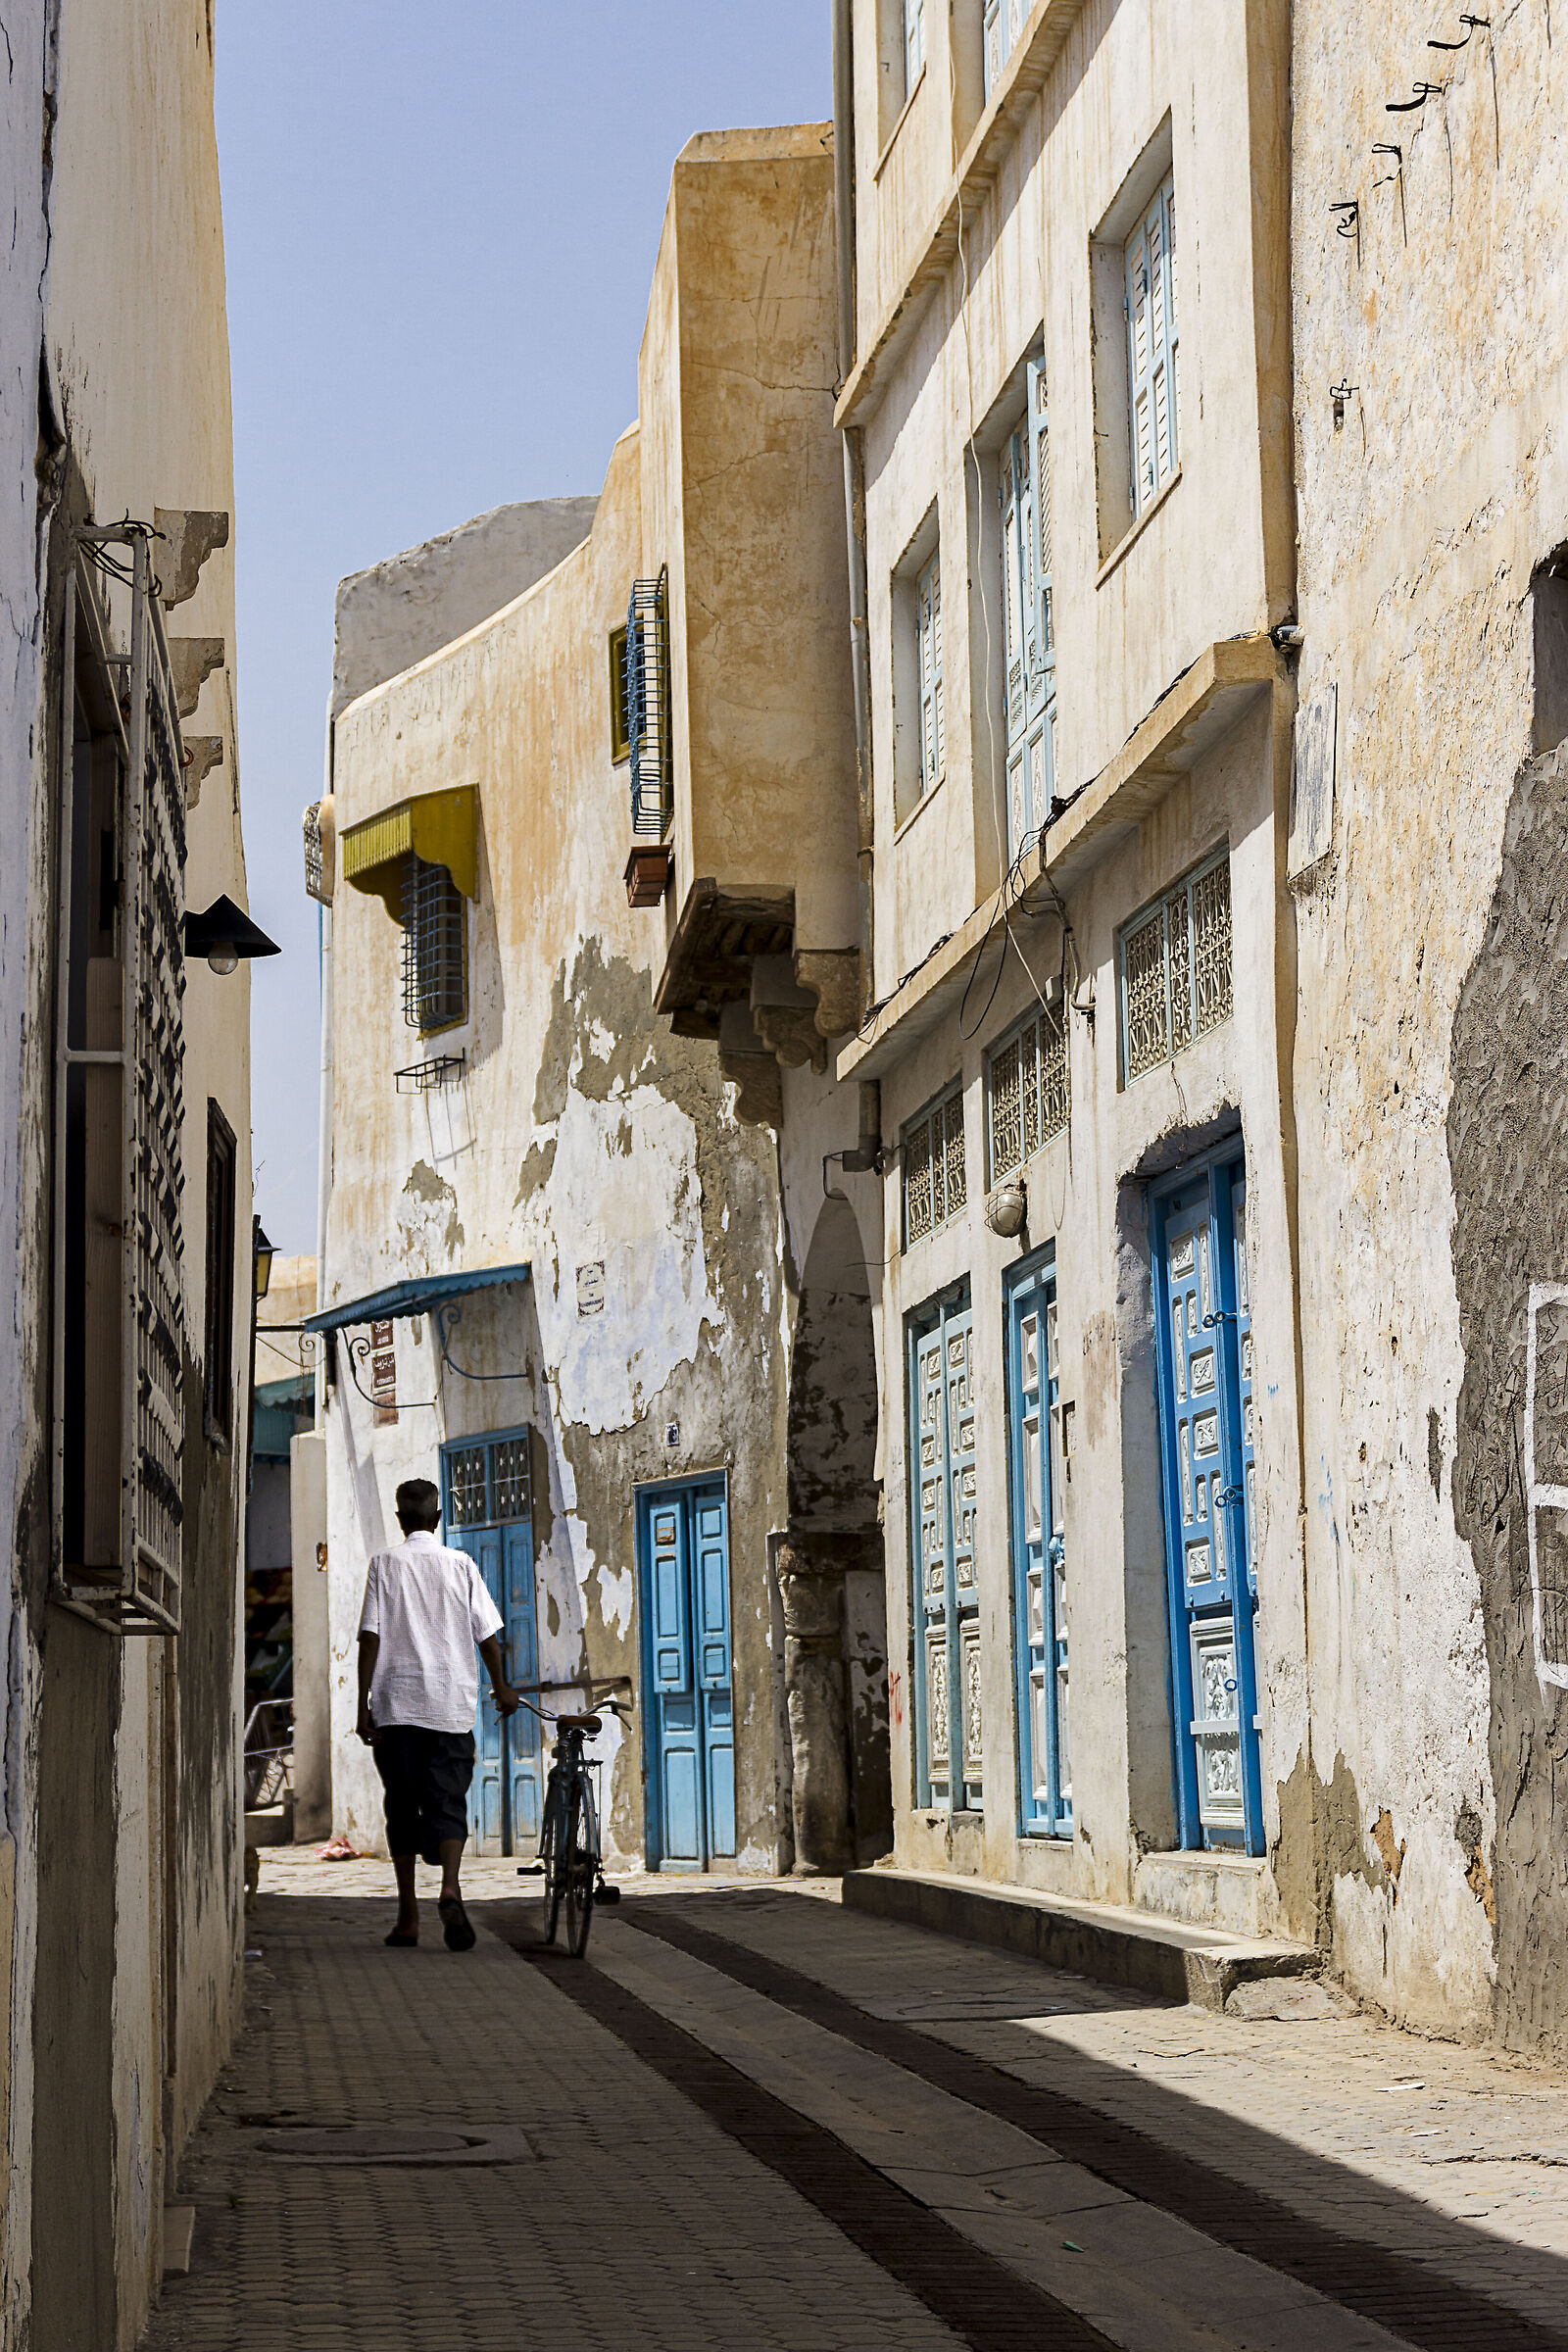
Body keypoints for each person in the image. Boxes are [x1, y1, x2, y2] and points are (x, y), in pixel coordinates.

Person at [356, 1476, 519, 1950]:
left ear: (401, 1519)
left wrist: (362, 1704)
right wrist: (503, 1687)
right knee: (448, 1802)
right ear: (438, 1518)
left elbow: (371, 1636)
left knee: (401, 1806)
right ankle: (450, 1886)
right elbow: (487, 1635)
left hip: (396, 1708)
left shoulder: (384, 1564)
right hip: (449, 1707)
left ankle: (408, 1917)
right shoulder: (461, 1565)